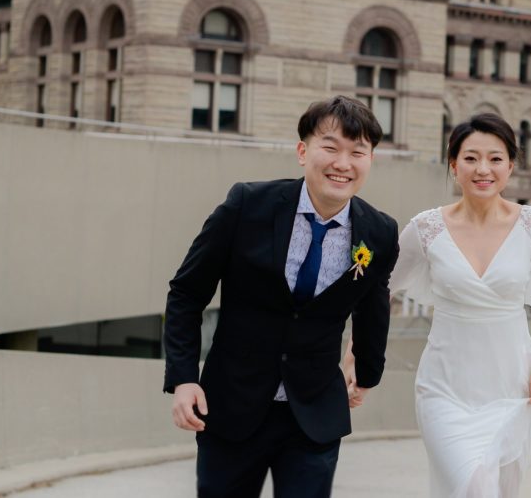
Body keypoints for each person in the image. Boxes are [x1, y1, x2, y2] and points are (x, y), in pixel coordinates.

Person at [163, 96, 399, 498]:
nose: (343, 163)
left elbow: (373, 310)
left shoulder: (379, 232)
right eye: (331, 147)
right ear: (303, 151)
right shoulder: (247, 205)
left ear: (370, 159)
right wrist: (184, 378)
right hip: (232, 405)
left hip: (315, 412)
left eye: (358, 152)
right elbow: (186, 293)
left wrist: (366, 375)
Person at [389, 113, 531, 497]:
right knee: (474, 486)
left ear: (510, 166)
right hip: (444, 386)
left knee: (501, 489)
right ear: (453, 165)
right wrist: (357, 352)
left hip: (511, 385)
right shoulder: (425, 228)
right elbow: (382, 290)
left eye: (495, 158)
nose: (482, 169)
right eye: (470, 158)